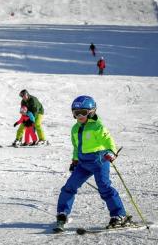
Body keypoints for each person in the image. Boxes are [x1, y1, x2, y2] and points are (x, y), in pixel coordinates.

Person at [54, 96, 127, 232]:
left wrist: (112, 152)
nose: (79, 116)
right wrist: (75, 161)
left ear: (91, 111)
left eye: (82, 112)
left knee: (104, 187)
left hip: (99, 161)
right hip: (83, 163)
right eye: (76, 113)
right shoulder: (75, 129)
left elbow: (108, 141)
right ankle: (62, 214)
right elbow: (76, 147)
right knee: (69, 187)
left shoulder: (97, 127)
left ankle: (119, 215)